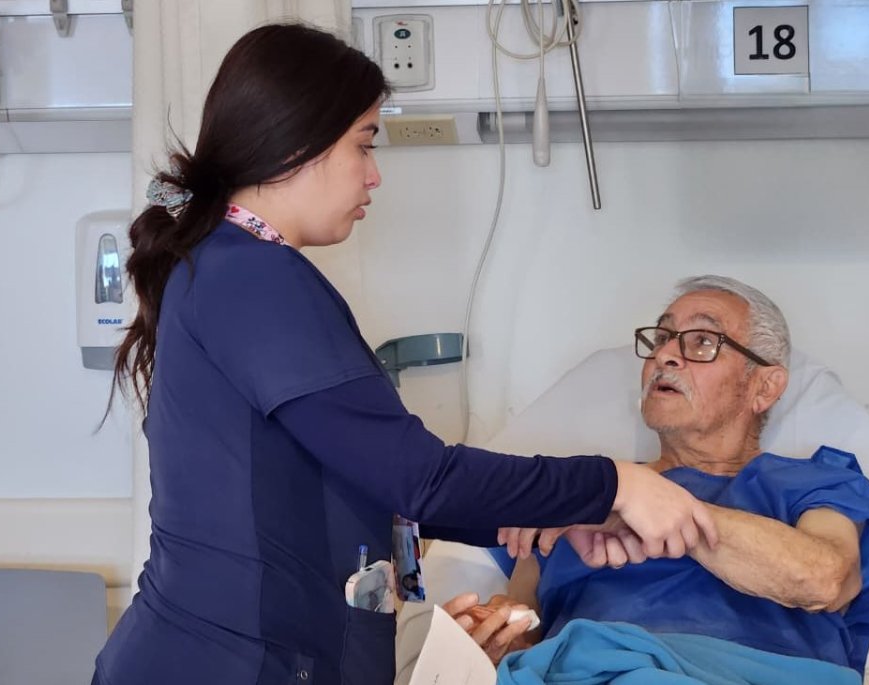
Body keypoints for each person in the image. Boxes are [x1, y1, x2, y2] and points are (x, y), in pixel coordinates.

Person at [92, 23, 719, 685]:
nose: (375, 174)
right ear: (296, 142)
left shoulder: (228, 268)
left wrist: (558, 512)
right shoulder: (252, 277)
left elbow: (368, 481)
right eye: (364, 144)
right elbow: (420, 477)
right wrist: (615, 483)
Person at [447, 276, 869, 682]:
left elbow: (823, 579)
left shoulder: (818, 484)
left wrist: (650, 511)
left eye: (701, 342)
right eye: (661, 339)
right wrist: (498, 640)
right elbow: (526, 625)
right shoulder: (580, 489)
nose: (665, 356)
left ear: (765, 386)